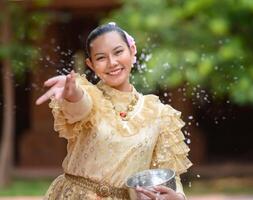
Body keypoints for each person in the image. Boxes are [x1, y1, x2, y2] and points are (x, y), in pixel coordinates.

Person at [36, 22, 192, 200]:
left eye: (118, 52)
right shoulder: (89, 95)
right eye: (101, 58)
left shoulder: (160, 114)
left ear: (132, 51)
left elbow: (167, 173)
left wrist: (177, 197)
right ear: (91, 64)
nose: (112, 63)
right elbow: (80, 108)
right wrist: (73, 94)